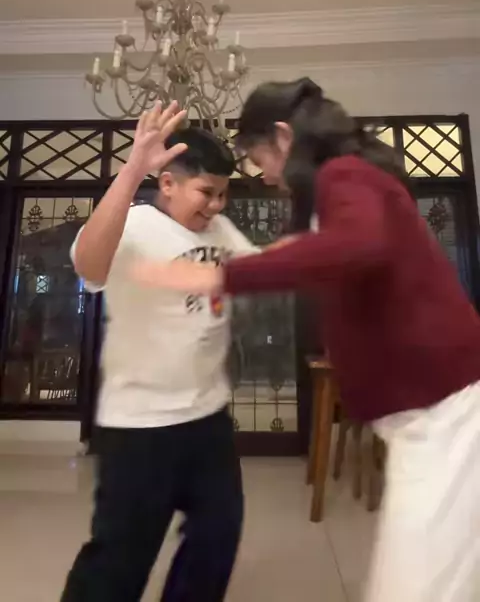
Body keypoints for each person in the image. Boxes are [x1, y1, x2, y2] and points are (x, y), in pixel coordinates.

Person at [132, 79, 480, 602]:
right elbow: (339, 256)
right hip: (428, 413)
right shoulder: (340, 191)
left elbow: (357, 246)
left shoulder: (345, 174)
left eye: (259, 160)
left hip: (447, 408)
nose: (265, 176)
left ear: (283, 137)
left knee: (417, 586)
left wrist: (219, 276)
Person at [61, 102, 257, 602]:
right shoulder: (136, 224)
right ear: (167, 183)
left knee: (218, 536)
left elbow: (257, 270)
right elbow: (89, 267)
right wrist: (132, 170)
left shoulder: (219, 230)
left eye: (223, 194)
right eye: (206, 193)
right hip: (140, 425)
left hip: (207, 417)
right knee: (119, 560)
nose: (216, 206)